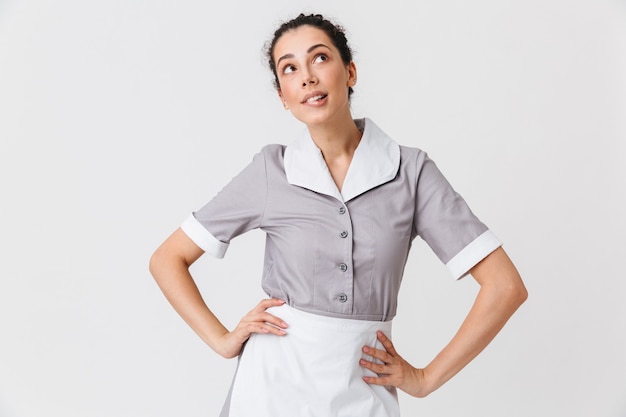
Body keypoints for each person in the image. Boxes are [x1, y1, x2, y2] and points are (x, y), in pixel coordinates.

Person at [149, 13, 528, 417]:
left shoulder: (411, 173)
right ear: (283, 95)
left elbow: (505, 286)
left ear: (350, 71)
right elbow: (167, 259)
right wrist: (223, 340)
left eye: (320, 58)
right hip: (270, 389)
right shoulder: (271, 171)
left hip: (362, 395)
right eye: (290, 68)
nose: (307, 77)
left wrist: (425, 379)